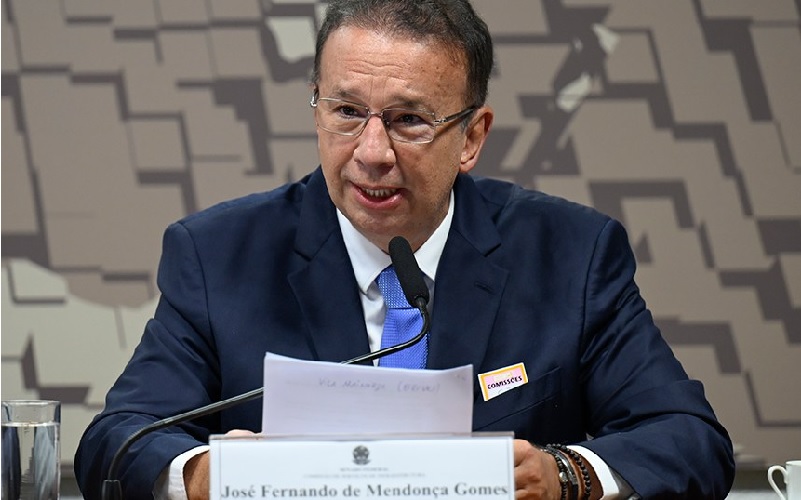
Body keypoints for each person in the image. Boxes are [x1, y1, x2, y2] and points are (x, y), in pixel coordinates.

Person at [74, 0, 735, 498]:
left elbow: (688, 439)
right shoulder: (219, 255)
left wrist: (564, 475)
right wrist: (201, 473)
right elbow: (119, 438)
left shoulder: (571, 254)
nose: (371, 153)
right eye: (345, 112)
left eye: (408, 120)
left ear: (471, 137)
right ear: (315, 110)